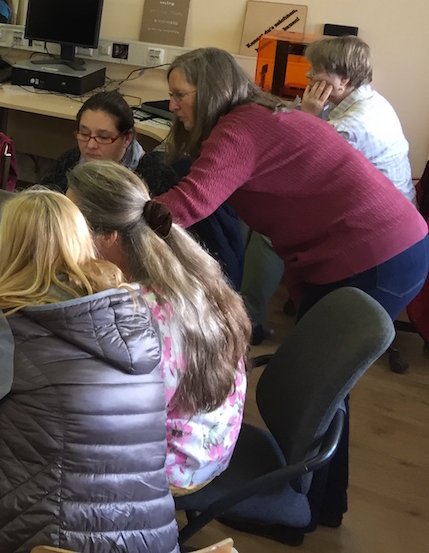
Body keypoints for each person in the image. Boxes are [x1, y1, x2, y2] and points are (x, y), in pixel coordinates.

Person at [155, 46, 429, 529]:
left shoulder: (240, 129)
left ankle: (302, 512)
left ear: (211, 90)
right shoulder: (257, 118)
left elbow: (190, 202)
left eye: (181, 95)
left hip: (378, 254)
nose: (172, 104)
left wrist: (106, 226)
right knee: (325, 388)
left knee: (323, 388)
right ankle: (321, 506)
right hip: (379, 246)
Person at [0, 189, 177, 553]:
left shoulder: (3, 325)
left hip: (40, 540)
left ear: (7, 248)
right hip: (149, 541)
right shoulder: (134, 318)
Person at [67, 159, 249, 493]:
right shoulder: (184, 265)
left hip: (173, 468)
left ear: (107, 236)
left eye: (68, 227)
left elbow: (109, 413)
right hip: (210, 444)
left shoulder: (134, 313)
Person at [42, 91, 244, 286]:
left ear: (127, 138)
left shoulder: (154, 178)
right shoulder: (71, 161)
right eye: (84, 134)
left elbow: (160, 254)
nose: (91, 145)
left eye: (103, 137)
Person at [302, 35, 415, 201]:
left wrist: (307, 117)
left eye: (316, 71)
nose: (308, 75)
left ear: (343, 80)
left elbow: (308, 172)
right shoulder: (371, 98)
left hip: (379, 211)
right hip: (400, 202)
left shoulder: (346, 128)